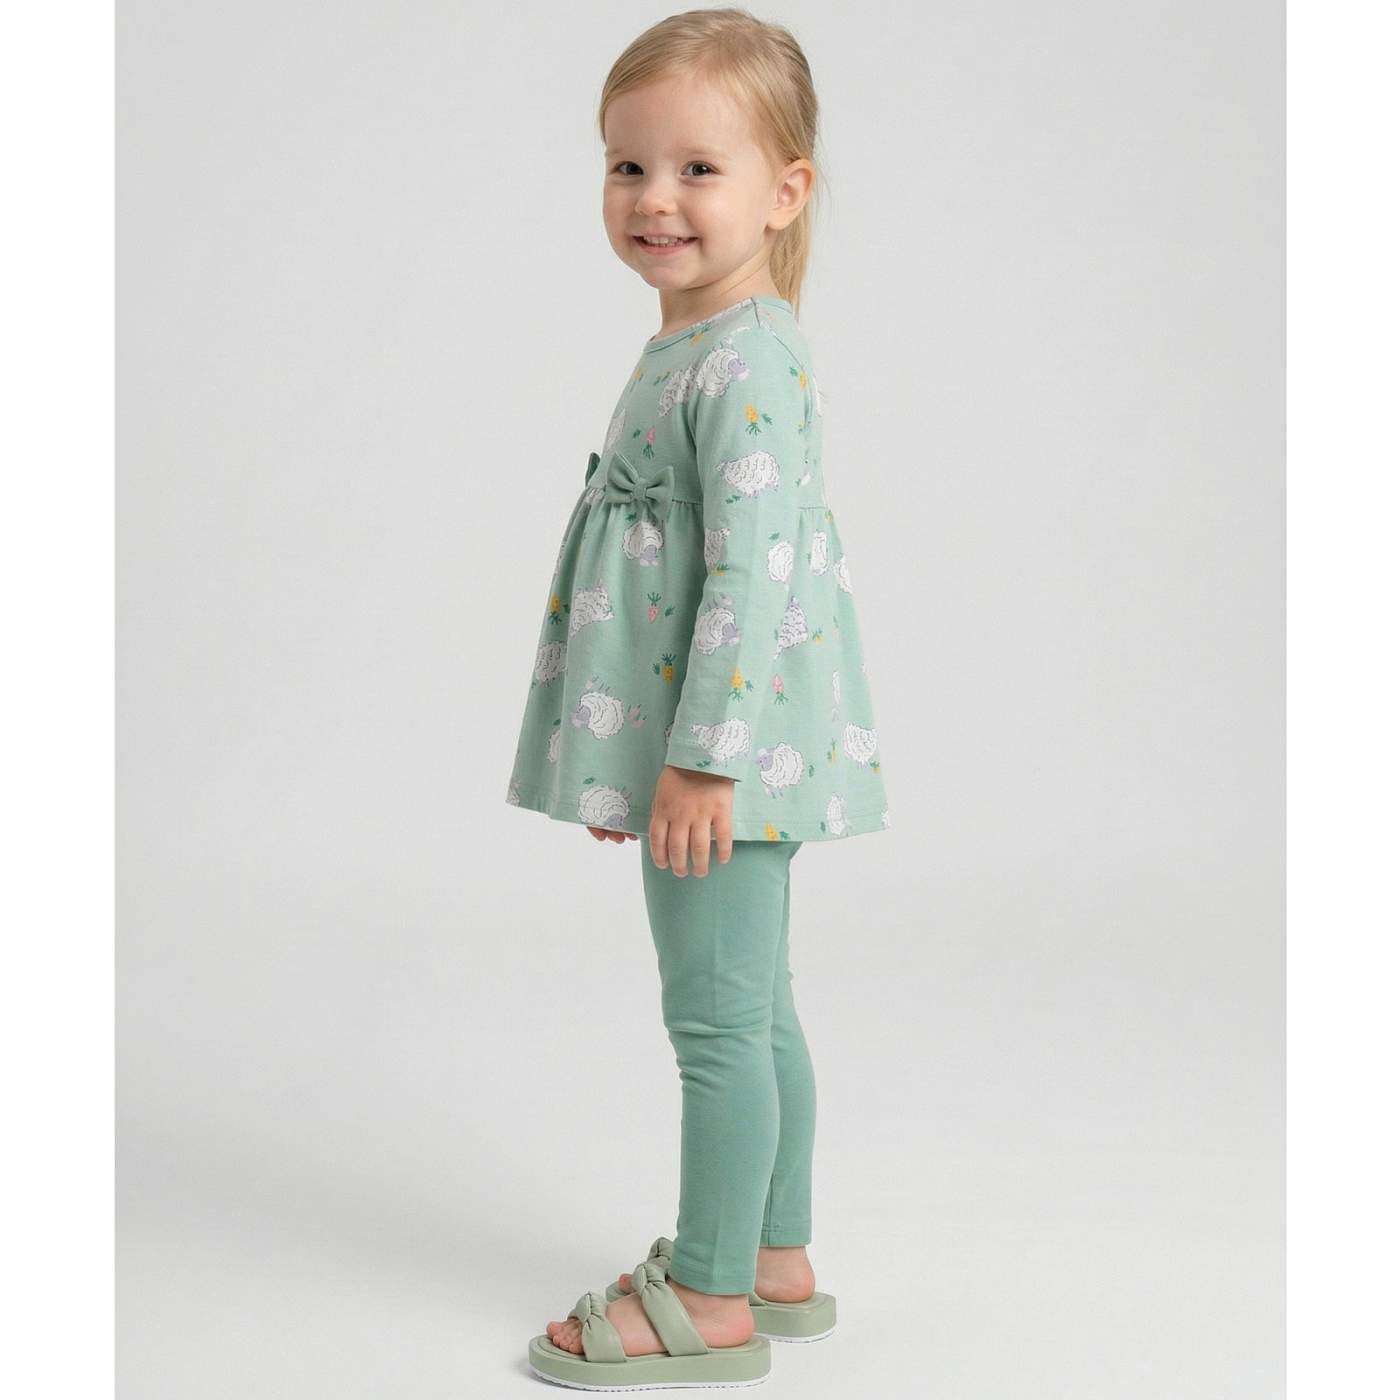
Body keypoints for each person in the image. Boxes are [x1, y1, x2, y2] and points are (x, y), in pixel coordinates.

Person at [506, 8, 890, 1389]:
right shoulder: (699, 342)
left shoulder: (747, 357)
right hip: (705, 748)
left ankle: (715, 1294)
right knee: (756, 1004)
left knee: (716, 1023)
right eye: (628, 166)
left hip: (729, 755)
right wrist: (630, 754)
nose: (654, 198)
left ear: (786, 191)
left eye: (697, 169)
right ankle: (775, 1258)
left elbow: (752, 572)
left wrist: (699, 762)